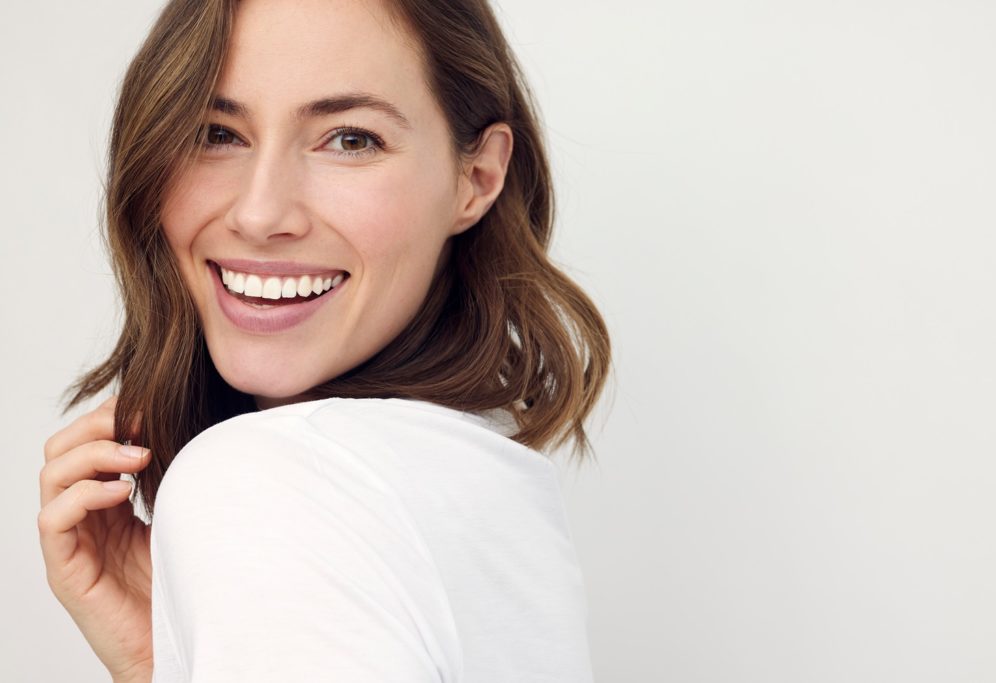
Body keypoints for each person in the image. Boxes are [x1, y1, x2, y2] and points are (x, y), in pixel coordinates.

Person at [37, 0, 610, 680]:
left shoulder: (264, 479)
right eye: (217, 133)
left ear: (477, 178)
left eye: (350, 139)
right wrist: (164, 659)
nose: (259, 213)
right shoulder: (486, 486)